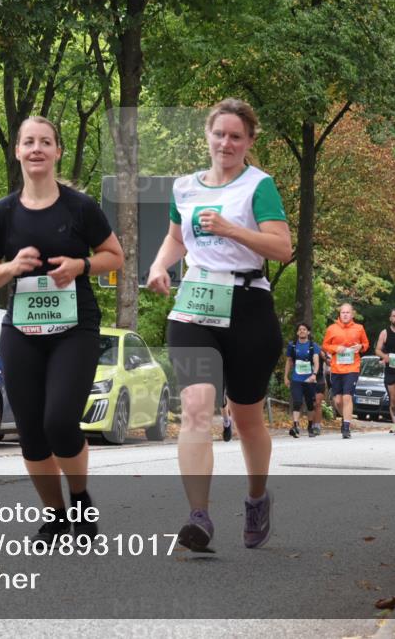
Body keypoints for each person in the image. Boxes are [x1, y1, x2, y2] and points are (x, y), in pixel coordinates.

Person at [146, 98, 291, 552]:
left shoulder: (259, 186)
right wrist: (159, 266)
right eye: (219, 134)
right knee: (195, 409)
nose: (225, 142)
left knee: (246, 417)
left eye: (236, 136)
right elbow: (175, 239)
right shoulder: (184, 187)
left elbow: (282, 249)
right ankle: (199, 517)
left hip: (248, 304)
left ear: (248, 142)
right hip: (194, 307)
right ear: (207, 136)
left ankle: (255, 498)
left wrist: (232, 230)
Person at [0, 116, 124, 543]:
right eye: (28, 142)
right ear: (18, 152)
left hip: (73, 327)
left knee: (60, 421)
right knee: (33, 430)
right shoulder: (3, 212)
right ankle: (56, 516)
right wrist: (11, 267)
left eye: (45, 142)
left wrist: (81, 266)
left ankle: (79, 498)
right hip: (22, 328)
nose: (36, 149)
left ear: (57, 151)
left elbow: (114, 256)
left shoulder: (79, 208)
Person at [322, 303, 370, 439]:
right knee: (337, 401)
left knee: (347, 396)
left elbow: (366, 345)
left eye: (347, 312)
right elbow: (325, 345)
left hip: (352, 367)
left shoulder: (359, 328)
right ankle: (345, 418)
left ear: (352, 314)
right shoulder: (332, 329)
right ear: (339, 314)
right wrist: (336, 348)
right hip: (337, 368)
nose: (345, 315)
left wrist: (360, 346)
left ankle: (346, 426)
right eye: (343, 312)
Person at [284, 323, 321, 438]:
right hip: (296, 379)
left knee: (311, 404)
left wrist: (314, 374)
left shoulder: (313, 346)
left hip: (309, 379)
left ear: (308, 332)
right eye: (300, 329)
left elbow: (316, 361)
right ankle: (295, 426)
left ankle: (310, 426)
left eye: (304, 329)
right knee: (297, 402)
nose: (302, 331)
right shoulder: (293, 345)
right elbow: (289, 361)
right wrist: (286, 376)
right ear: (297, 332)